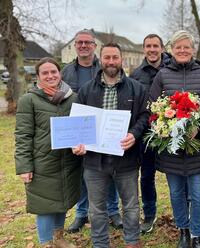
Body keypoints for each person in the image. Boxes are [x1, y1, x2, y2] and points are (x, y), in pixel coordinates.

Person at [72, 43, 149, 248]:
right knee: (96, 209)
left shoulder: (136, 88)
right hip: (94, 162)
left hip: (127, 159)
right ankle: (100, 244)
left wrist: (134, 134)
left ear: (121, 59)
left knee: (131, 206)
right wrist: (78, 143)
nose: (111, 62)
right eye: (107, 58)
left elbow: (144, 116)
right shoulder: (87, 90)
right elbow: (78, 123)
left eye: (115, 57)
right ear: (101, 59)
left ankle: (132, 242)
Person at [149, 30, 200, 248]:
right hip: (172, 149)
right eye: (178, 47)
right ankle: (184, 231)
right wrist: (163, 126)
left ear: (193, 49)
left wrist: (199, 125)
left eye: (186, 47)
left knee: (198, 196)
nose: (182, 50)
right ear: (171, 50)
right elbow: (152, 107)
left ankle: (197, 234)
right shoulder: (163, 75)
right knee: (177, 194)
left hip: (198, 147)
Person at [15, 57, 81, 248]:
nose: (50, 75)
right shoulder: (29, 100)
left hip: (68, 161)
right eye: (45, 73)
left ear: (60, 73)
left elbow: (80, 128)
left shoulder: (72, 98)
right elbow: (23, 135)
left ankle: (58, 238)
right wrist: (24, 166)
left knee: (62, 200)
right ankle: (46, 243)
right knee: (44, 205)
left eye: (54, 71)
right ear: (38, 77)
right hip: (42, 162)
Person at [62, 29, 122, 233]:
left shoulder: (106, 65)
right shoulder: (66, 71)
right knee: (83, 173)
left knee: (111, 171)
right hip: (81, 130)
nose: (83, 46)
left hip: (106, 129)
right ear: (75, 45)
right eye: (79, 42)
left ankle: (113, 211)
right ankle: (81, 213)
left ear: (94, 46)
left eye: (88, 42)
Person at [129, 33, 170, 234]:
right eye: (148, 46)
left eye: (155, 46)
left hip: (173, 132)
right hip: (146, 134)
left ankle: (184, 212)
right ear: (143, 49)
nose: (152, 49)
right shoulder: (136, 75)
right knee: (146, 175)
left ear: (162, 48)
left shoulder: (173, 68)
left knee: (178, 174)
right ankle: (150, 213)